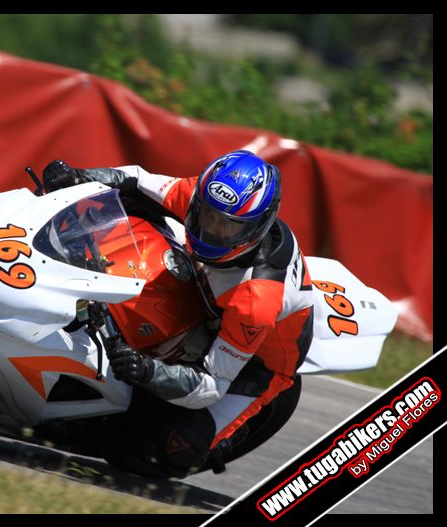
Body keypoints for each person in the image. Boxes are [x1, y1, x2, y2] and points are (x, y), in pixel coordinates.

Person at [42, 151, 315, 478]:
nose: (211, 230)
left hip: (256, 364)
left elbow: (212, 385)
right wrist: (78, 175)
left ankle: (217, 443)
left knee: (168, 448)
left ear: (255, 230)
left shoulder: (255, 300)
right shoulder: (211, 199)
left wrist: (145, 370)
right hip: (208, 295)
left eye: (227, 228)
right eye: (206, 216)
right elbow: (139, 181)